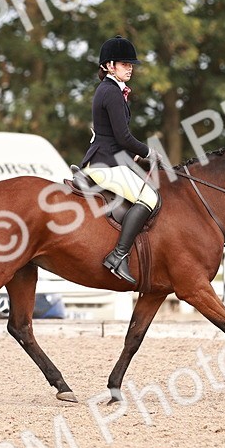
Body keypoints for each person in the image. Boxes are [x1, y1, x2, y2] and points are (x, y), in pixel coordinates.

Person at [80, 35, 158, 285]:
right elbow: (123, 137)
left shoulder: (111, 90)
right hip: (105, 164)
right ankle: (118, 255)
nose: (130, 67)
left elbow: (112, 136)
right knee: (149, 198)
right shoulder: (111, 92)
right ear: (109, 65)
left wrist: (135, 156)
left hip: (109, 158)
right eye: (125, 63)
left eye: (131, 64)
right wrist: (148, 152)